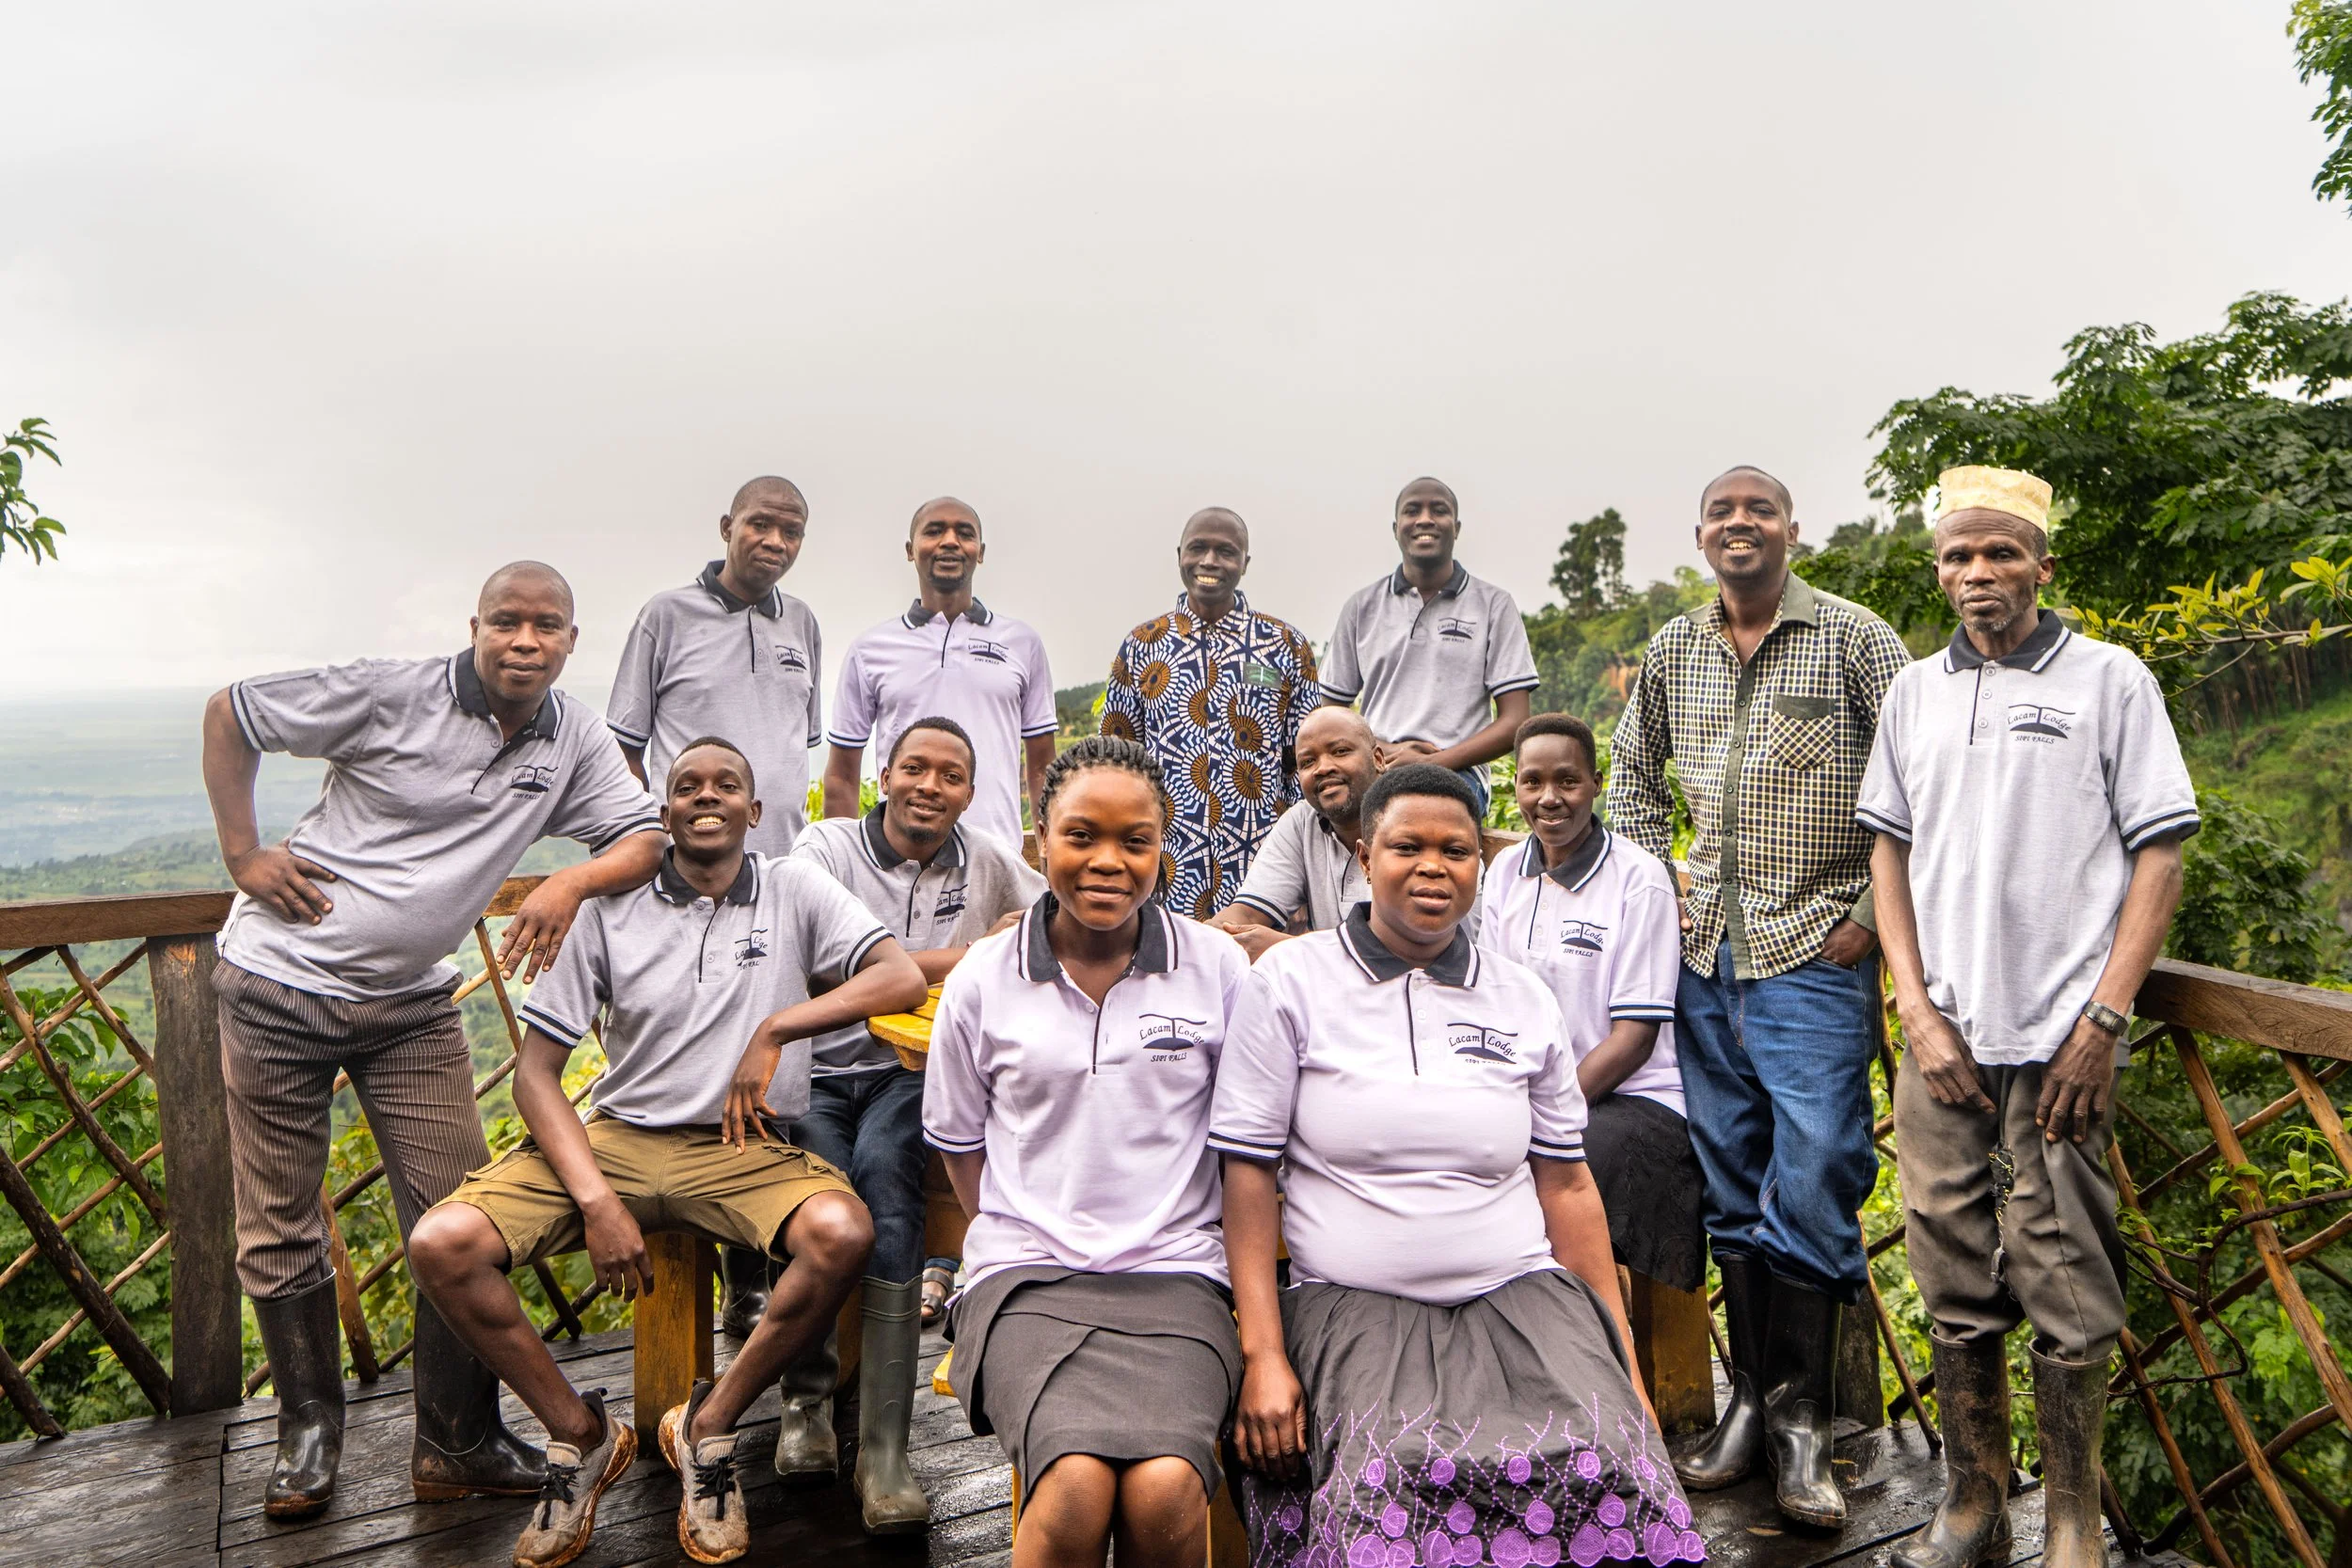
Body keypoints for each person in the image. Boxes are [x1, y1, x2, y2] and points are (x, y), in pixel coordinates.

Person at [199, 562, 669, 1518]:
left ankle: (457, 1438)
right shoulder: (390, 691)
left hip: (413, 1004)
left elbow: (646, 833)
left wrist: (571, 881)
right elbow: (229, 713)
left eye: (547, 626)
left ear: (571, 641)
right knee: (280, 1217)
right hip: (279, 986)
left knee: (459, 1214)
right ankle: (307, 1430)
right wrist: (243, 853)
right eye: (507, 621)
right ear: (476, 626)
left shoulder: (570, 730)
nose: (525, 640)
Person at [406, 737, 929, 1567]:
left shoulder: (793, 887)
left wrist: (778, 1026)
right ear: (665, 812)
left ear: (756, 814)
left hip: (742, 1144)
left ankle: (710, 1426)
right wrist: (598, 1201)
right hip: (613, 1141)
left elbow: (897, 976)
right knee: (442, 1242)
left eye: (729, 784)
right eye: (688, 785)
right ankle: (580, 1438)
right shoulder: (611, 909)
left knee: (843, 1232)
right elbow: (537, 1076)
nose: (707, 796)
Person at [1209, 764, 1702, 1568]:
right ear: (1366, 857)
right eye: (1409, 845)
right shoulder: (1292, 981)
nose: (1434, 866)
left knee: (1614, 1465)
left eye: (1458, 849)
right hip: (1357, 1308)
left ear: (1482, 863)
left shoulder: (1520, 995)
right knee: (1388, 1489)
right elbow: (1248, 1176)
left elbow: (1567, 1183)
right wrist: (1263, 1353)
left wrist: (1625, 1371)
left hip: (1521, 1298)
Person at [1859, 468, 2195, 1568]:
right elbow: (1888, 852)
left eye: (2000, 553)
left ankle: (2070, 1520)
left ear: (2043, 565)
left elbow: (2160, 847)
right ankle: (1971, 1503)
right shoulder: (1912, 692)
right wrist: (1915, 1007)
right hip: (1943, 1040)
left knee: (2063, 1273)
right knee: (1949, 1265)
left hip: (2062, 1039)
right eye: (1958, 556)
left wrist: (2105, 1014)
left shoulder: (2109, 680)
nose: (1977, 574)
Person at [1609, 467, 1910, 1528]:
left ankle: (1801, 1424)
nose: (1741, 525)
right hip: (1703, 956)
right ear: (1700, 536)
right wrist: (1662, 891)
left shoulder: (1855, 639)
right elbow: (1630, 782)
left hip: (1813, 951)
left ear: (1792, 530)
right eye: (1721, 513)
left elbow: (1918, 784)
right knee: (1730, 1173)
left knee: (1821, 1165)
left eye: (1759, 510)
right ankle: (1748, 1404)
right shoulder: (1675, 649)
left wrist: (1870, 919)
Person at [923, 736, 1251, 1568]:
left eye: (1134, 840)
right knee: (1071, 1487)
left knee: (1169, 1489)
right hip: (1028, 1275)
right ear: (1041, 842)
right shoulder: (983, 978)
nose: (1108, 861)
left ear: (1161, 848)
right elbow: (965, 1152)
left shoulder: (1214, 967)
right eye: (1081, 836)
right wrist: (1031, 1227)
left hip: (1178, 1276)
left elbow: (1250, 1147)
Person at [777, 715, 1045, 1527]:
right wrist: (963, 958)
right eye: (915, 768)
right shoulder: (825, 850)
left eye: (951, 775)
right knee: (821, 1188)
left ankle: (885, 1446)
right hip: (816, 1066)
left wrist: (1013, 934)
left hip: (913, 1070)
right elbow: (820, 960)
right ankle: (807, 1402)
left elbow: (1053, 919)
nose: (930, 786)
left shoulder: (989, 857)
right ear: (884, 774)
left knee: (889, 1178)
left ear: (969, 791)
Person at [606, 473, 827, 1338]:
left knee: (769, 1067)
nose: (774, 541)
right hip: (686, 884)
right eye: (761, 524)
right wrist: (653, 848)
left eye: (792, 530)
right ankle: (682, 1302)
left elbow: (795, 753)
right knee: (689, 1062)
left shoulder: (801, 622)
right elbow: (621, 748)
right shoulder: (665, 615)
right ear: (727, 526)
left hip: (777, 881)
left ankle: (752, 1269)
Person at [1476, 714, 1704, 1293]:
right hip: (1531, 1093)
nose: (1549, 799)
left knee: (1552, 1179)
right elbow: (1493, 1001)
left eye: (1567, 781)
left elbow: (1635, 1037)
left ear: (1596, 783)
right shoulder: (1505, 871)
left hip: (1630, 1098)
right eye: (1532, 782)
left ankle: (1593, 1342)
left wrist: (1543, 1112)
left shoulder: (1639, 879)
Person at [1101, 506, 1320, 918]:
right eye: (1198, 548)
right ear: (1179, 554)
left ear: (1245, 563)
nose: (1210, 562)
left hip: (1264, 862)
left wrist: (1303, 872)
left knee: (1258, 975)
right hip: (1165, 863)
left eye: (1226, 551)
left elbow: (1306, 763)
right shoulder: (1143, 644)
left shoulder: (1285, 645)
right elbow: (1115, 764)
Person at [824, 497, 1057, 851]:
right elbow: (842, 775)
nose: (950, 541)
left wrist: (1048, 850)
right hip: (898, 861)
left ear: (980, 552)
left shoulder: (1022, 643)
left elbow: (1042, 768)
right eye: (934, 531)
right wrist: (839, 862)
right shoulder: (870, 649)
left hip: (997, 856)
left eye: (964, 533)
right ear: (910, 549)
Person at [1320, 477, 1539, 815]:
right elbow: (1328, 716)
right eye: (1412, 511)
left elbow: (1515, 722)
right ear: (1396, 528)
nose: (1425, 519)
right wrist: (1382, 751)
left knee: (1415, 818)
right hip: (1376, 768)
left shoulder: (1493, 605)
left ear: (1457, 527)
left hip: (1459, 774)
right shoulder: (1361, 607)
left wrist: (1435, 763)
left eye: (1439, 510)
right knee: (1319, 818)